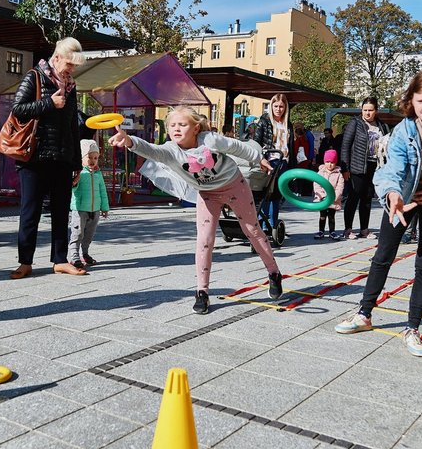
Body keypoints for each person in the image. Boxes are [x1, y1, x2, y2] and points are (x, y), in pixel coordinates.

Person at [335, 68, 422, 357]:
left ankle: (412, 328)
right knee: (383, 254)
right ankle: (364, 314)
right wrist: (393, 193)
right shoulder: (405, 129)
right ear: (411, 100)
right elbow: (392, 169)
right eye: (420, 99)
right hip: (403, 197)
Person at [110, 107, 283, 315]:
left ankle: (274, 273)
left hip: (233, 185)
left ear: (196, 128)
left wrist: (259, 158)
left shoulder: (210, 140)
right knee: (204, 240)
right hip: (207, 193)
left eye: (182, 125)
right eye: (172, 125)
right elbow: (150, 150)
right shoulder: (170, 150)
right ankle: (202, 291)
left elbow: (237, 147)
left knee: (252, 230)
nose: (176, 129)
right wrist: (128, 140)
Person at [8, 37, 87, 279]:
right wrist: (48, 103)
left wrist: (76, 163)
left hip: (62, 158)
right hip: (34, 157)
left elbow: (74, 127)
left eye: (75, 66)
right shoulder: (35, 77)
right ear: (57, 57)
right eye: (70, 64)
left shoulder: (71, 87)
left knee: (61, 211)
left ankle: (60, 260)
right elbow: (18, 109)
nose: (72, 69)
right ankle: (25, 262)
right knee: (30, 211)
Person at [340, 97, 390, 239]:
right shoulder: (355, 123)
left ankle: (364, 229)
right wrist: (345, 168)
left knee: (367, 198)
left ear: (376, 111)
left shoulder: (382, 126)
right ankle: (348, 229)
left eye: (370, 110)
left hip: (375, 166)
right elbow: (345, 146)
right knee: (353, 197)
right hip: (357, 166)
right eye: (365, 110)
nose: (367, 113)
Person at [252, 93, 292, 229]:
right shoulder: (264, 121)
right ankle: (262, 224)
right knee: (266, 193)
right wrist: (261, 159)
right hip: (270, 161)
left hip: (284, 161)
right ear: (271, 106)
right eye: (276, 106)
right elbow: (256, 142)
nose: (278, 109)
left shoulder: (288, 124)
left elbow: (290, 145)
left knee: (277, 195)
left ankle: (273, 223)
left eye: (281, 106)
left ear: (285, 108)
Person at [68, 140, 110, 268]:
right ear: (82, 158)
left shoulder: (98, 174)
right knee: (78, 233)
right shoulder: (79, 173)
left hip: (95, 210)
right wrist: (74, 182)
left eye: (95, 158)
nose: (92, 160)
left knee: (89, 234)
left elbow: (103, 191)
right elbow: (72, 188)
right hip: (80, 209)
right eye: (89, 157)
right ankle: (73, 255)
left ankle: (85, 253)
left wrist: (104, 207)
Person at [313, 149, 344, 240]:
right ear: (324, 161)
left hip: (333, 200)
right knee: (322, 215)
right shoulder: (320, 172)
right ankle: (321, 231)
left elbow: (340, 187)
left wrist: (334, 197)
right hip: (322, 199)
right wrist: (322, 195)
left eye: (332, 162)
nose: (329, 164)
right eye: (327, 162)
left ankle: (332, 231)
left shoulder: (339, 174)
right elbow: (316, 185)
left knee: (331, 216)